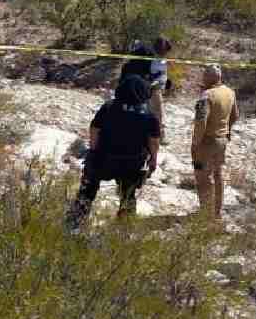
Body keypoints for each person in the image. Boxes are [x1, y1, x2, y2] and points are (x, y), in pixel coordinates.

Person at [65, 74, 162, 229]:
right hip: (132, 162)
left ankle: (74, 223)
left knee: (87, 191)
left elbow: (95, 129)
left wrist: (93, 151)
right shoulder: (149, 116)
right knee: (128, 196)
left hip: (103, 158)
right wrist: (153, 160)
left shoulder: (109, 107)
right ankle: (123, 230)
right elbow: (154, 141)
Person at [191, 64, 239, 220]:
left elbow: (201, 121)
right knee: (218, 174)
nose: (203, 78)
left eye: (205, 75)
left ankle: (206, 214)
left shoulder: (207, 95)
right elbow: (235, 115)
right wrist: (228, 130)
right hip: (222, 141)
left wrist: (195, 144)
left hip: (206, 142)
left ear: (210, 77)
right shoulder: (230, 92)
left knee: (203, 178)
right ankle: (216, 213)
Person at [120, 38, 175, 129]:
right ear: (160, 48)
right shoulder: (145, 53)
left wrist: (165, 82)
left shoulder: (157, 57)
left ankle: (158, 130)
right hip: (136, 85)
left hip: (148, 85)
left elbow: (160, 72)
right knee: (142, 109)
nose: (164, 54)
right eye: (164, 51)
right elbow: (139, 71)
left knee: (154, 108)